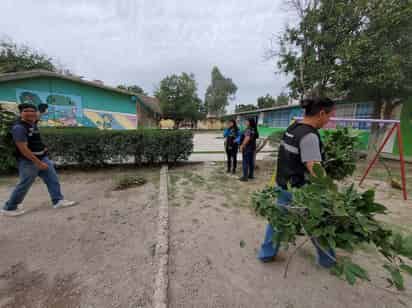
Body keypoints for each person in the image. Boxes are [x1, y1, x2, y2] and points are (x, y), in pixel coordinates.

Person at [258, 97, 336, 268]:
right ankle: (328, 260)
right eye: (329, 116)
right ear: (321, 113)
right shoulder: (309, 136)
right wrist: (330, 189)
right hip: (300, 191)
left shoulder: (293, 128)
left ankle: (266, 253)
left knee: (277, 220)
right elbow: (314, 167)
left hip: (283, 184)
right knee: (316, 224)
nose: (329, 120)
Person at [1, 103, 76, 217]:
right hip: (29, 161)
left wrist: (43, 149)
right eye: (26, 111)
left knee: (52, 179)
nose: (30, 113)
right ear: (21, 113)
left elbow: (38, 120)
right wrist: (38, 163)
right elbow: (23, 149)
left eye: (33, 111)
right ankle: (9, 208)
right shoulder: (19, 128)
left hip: (42, 158)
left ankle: (58, 201)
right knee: (24, 184)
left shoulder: (33, 121)